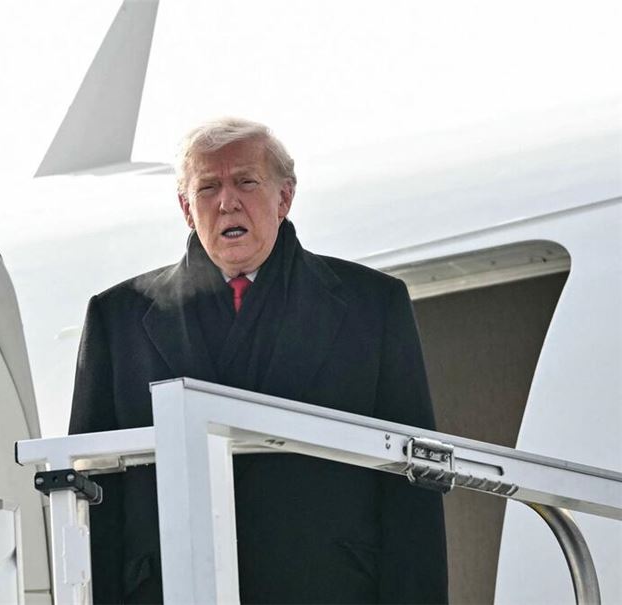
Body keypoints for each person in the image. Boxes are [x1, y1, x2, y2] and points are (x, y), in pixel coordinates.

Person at [69, 117, 448, 603]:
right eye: (208, 187)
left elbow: (414, 479)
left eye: (246, 181)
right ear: (187, 209)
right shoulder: (118, 319)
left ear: (284, 198)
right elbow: (95, 490)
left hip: (329, 587)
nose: (227, 201)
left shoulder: (372, 306)